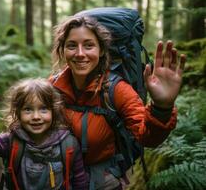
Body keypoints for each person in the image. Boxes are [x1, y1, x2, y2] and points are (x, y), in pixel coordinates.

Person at [50, 15, 186, 190]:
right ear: (63, 51)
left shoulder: (116, 90)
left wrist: (162, 107)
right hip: (59, 179)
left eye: (89, 45)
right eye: (72, 45)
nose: (80, 53)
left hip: (102, 183)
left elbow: (147, 137)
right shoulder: (52, 87)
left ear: (101, 50)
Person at [0, 74, 89, 189]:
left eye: (43, 109)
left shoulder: (69, 144)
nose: (36, 116)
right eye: (28, 110)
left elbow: (79, 181)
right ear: (18, 113)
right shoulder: (11, 141)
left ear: (54, 111)